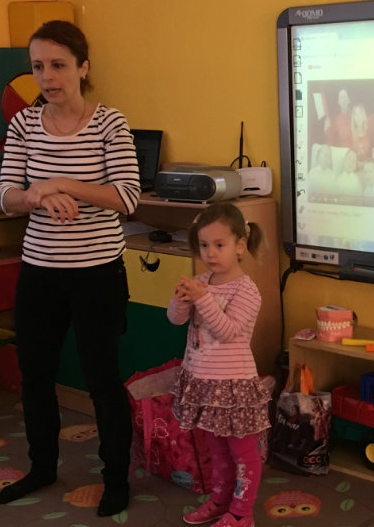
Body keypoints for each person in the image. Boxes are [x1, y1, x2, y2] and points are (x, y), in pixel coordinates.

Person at [0, 20, 140, 517]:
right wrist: (34, 196)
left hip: (97, 273)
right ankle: (42, 467)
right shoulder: (23, 124)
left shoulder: (109, 123)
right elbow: (5, 195)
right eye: (38, 66)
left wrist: (60, 183)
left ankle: (115, 479)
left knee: (102, 380)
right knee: (34, 375)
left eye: (58, 65)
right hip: (40, 272)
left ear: (83, 67)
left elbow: (127, 197)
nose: (48, 77)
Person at [166, 203, 271, 527]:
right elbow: (175, 320)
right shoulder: (202, 281)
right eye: (204, 245)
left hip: (233, 385)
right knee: (217, 450)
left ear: (240, 245)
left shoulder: (247, 290)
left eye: (219, 244)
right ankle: (220, 500)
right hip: (203, 382)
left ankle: (241, 513)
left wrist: (202, 298)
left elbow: (228, 331)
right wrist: (180, 300)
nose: (210, 253)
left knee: (243, 453)